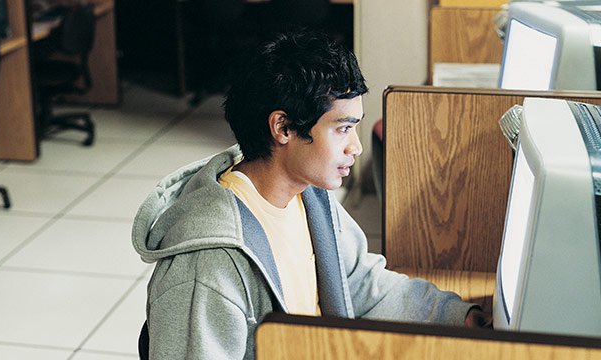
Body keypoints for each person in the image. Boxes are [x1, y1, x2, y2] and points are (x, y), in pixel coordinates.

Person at [132, 29, 492, 360]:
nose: (356, 147)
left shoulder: (309, 197)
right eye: (342, 129)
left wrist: (459, 317)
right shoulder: (208, 267)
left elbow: (362, 284)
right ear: (283, 127)